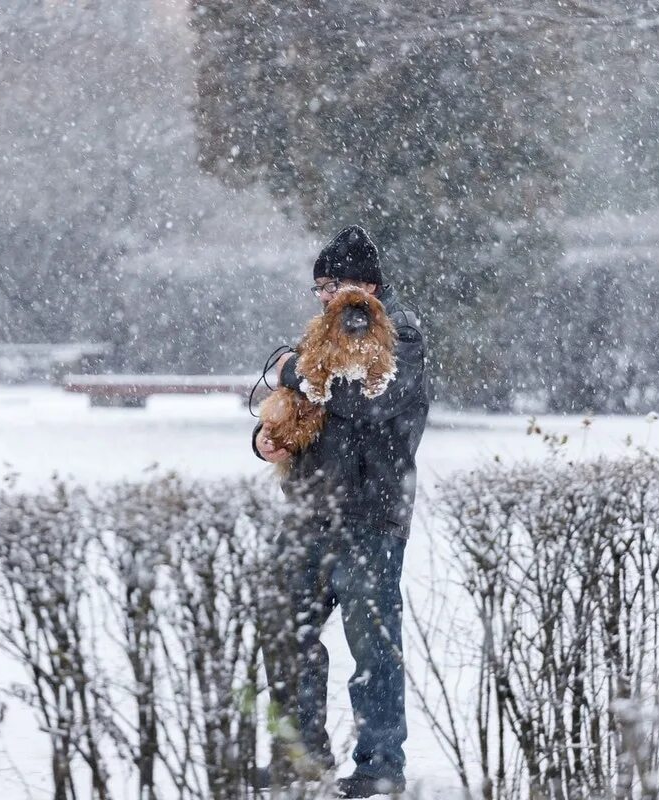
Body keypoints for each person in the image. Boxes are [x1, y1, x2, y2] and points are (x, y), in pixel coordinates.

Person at [251, 225, 429, 797]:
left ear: (369, 284)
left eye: (336, 284)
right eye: (320, 287)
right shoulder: (319, 339)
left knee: (372, 645)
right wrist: (264, 439)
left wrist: (292, 373)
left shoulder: (400, 336)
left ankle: (379, 767)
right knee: (284, 631)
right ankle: (302, 758)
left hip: (370, 516)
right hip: (308, 511)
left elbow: (359, 398)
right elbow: (293, 411)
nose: (327, 297)